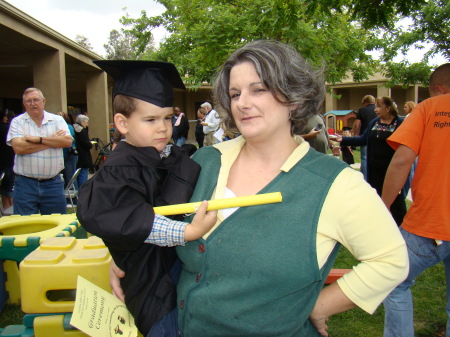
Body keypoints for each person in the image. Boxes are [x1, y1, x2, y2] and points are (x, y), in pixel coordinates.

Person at [110, 40, 408, 337]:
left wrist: (319, 306)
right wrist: (128, 257)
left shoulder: (335, 185)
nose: (242, 102)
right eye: (235, 93)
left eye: (258, 89)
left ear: (292, 97)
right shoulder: (204, 162)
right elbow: (160, 220)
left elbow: (390, 261)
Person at [76, 60, 217, 337]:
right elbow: (127, 217)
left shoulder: (167, 155)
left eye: (167, 118)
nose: (163, 128)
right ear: (122, 123)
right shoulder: (120, 169)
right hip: (151, 283)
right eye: (150, 120)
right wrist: (187, 231)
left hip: (176, 271)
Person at [382, 63, 450, 337]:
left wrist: (382, 206)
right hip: (430, 225)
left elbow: (401, 161)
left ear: (438, 89)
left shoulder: (429, 108)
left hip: (429, 224)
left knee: (392, 280)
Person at [336, 97, 406, 226]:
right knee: (376, 201)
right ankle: (379, 226)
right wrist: (343, 139)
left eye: (379, 106)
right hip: (374, 171)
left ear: (388, 108)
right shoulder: (375, 122)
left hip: (392, 171)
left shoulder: (400, 124)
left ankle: (400, 230)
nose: (375, 109)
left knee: (396, 204)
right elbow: (363, 139)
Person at [6, 87, 72, 215]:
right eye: (28, 101)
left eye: (36, 100)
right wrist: (52, 140)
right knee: (26, 227)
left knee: (56, 227)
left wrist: (37, 139)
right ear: (24, 104)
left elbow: (67, 142)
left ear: (43, 101)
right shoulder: (17, 122)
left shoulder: (57, 120)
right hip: (25, 185)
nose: (32, 103)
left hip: (53, 184)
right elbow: (19, 148)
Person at [352, 95, 376, 180]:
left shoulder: (362, 110)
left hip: (365, 137)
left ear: (365, 102)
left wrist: (355, 134)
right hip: (376, 137)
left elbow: (357, 124)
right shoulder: (377, 110)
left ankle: (364, 178)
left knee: (364, 158)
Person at [56, 111, 78, 188]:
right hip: (60, 156)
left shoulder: (69, 127)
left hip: (69, 155)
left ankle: (74, 199)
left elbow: (67, 140)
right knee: (62, 179)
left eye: (60, 117)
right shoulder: (55, 127)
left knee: (70, 178)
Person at [0, 109, 16, 212]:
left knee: (3, 189)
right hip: (11, 160)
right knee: (10, 187)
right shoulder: (12, 129)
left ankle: (6, 208)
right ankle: (10, 209)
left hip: (2, 162)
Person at [73, 114, 93, 188]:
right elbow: (86, 144)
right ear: (82, 122)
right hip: (83, 156)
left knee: (77, 175)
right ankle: (82, 191)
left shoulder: (73, 128)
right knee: (82, 175)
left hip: (76, 155)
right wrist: (90, 144)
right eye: (86, 122)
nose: (87, 124)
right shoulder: (82, 130)